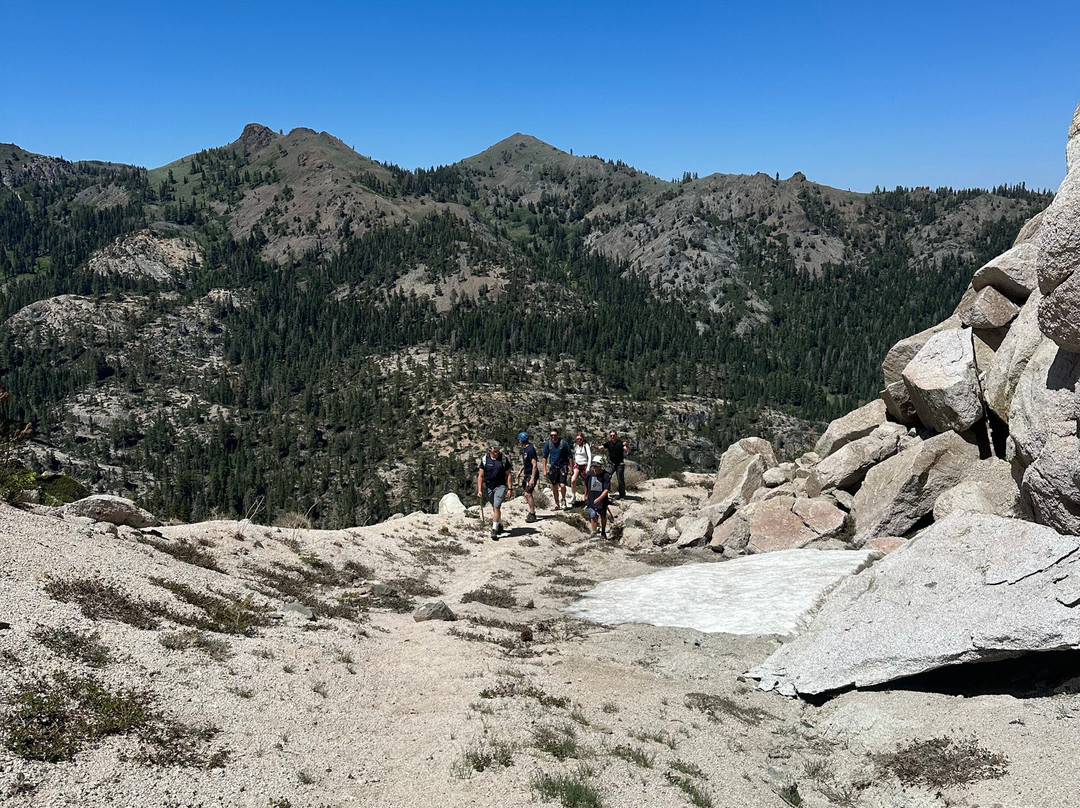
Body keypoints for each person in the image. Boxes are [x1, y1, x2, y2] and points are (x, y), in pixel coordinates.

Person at [477, 445, 513, 539]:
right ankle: (499, 524)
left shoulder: (503, 459)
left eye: (498, 451)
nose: (497, 453)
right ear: (490, 450)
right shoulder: (485, 459)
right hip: (489, 486)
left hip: (500, 486)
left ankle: (494, 530)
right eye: (495, 451)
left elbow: (509, 474)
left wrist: (510, 489)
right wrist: (479, 490)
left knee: (496, 507)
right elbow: (480, 476)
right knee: (494, 506)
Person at [541, 428, 572, 510]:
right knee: (554, 486)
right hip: (553, 467)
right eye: (552, 436)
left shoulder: (563, 444)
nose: (553, 437)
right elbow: (544, 457)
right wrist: (544, 469)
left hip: (563, 467)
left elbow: (570, 456)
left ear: (558, 435)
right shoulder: (548, 444)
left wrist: (571, 468)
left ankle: (563, 499)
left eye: (555, 435)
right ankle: (557, 503)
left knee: (562, 485)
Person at [594, 429, 630, 498]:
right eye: (611, 436)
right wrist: (593, 446)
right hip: (611, 464)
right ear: (609, 436)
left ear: (616, 436)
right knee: (605, 476)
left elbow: (627, 450)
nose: (612, 437)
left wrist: (627, 445)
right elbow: (599, 448)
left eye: (614, 435)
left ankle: (622, 495)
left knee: (620, 480)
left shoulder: (620, 443)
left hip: (620, 464)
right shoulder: (608, 444)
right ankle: (604, 493)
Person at [584, 455, 611, 538]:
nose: (595, 468)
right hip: (591, 497)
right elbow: (586, 485)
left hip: (602, 499)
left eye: (597, 466)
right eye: (594, 466)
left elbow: (606, 489)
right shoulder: (590, 474)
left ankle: (603, 531)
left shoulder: (605, 475)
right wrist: (585, 494)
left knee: (603, 515)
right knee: (592, 514)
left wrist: (599, 498)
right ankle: (594, 531)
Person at [518, 431, 539, 523]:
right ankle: (531, 511)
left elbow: (534, 464)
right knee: (526, 492)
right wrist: (521, 470)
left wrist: (532, 478)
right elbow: (527, 462)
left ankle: (532, 513)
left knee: (528, 493)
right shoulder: (525, 449)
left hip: (531, 474)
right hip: (527, 473)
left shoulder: (530, 450)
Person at [568, 432, 592, 505]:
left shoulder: (586, 446)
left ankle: (586, 497)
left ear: (583, 439)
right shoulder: (575, 446)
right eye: (577, 439)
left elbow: (590, 457)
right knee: (573, 480)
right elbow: (575, 455)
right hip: (577, 465)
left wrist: (588, 467)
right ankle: (573, 496)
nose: (579, 440)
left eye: (580, 439)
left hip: (584, 465)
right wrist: (572, 467)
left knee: (586, 482)